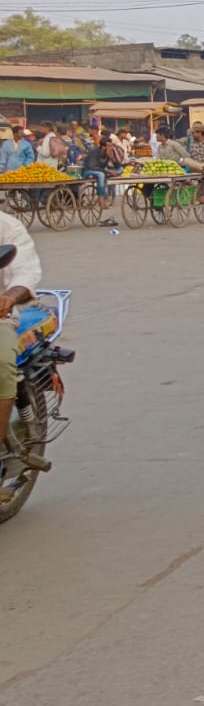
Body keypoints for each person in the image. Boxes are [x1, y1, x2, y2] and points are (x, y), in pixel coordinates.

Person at [0, 209, 51, 506]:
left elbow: (25, 271)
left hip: (0, 315)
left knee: (1, 364)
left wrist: (10, 296)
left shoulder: (6, 226)